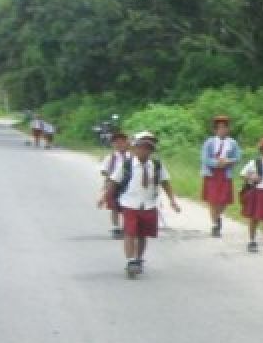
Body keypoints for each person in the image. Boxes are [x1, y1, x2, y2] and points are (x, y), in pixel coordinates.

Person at [104, 131, 181, 277]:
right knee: (129, 233)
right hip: (130, 203)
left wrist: (172, 200)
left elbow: (165, 182)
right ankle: (131, 260)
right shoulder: (127, 165)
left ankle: (139, 258)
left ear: (152, 150)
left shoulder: (157, 166)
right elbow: (114, 182)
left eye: (148, 148)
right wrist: (105, 197)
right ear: (134, 148)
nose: (144, 151)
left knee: (142, 235)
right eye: (141, 147)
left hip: (149, 204)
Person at [200, 114, 241, 237]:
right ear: (215, 130)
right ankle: (215, 224)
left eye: (225, 127)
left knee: (224, 200)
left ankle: (218, 216)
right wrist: (216, 163)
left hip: (225, 174)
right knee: (212, 201)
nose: (223, 130)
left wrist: (228, 161)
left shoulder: (232, 143)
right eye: (220, 128)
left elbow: (237, 157)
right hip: (212, 174)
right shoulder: (209, 142)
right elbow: (205, 158)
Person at [96, 130, 131, 239]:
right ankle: (116, 227)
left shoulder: (132, 156)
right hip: (114, 184)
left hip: (128, 185)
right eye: (116, 142)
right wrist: (106, 189)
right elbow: (104, 172)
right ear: (113, 144)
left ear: (127, 143)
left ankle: (127, 226)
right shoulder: (111, 158)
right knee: (114, 207)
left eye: (122, 141)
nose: (119, 144)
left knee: (127, 206)